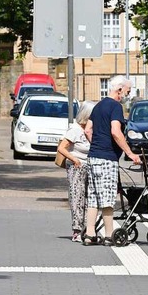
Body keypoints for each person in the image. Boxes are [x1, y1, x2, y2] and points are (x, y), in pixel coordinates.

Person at [83, 75, 141, 246]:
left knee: (93, 197)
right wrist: (130, 153)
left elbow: (88, 130)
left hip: (93, 157)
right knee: (108, 198)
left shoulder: (98, 106)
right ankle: (109, 235)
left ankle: (90, 234)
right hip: (107, 158)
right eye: (127, 92)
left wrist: (97, 144)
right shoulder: (116, 107)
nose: (127, 96)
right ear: (120, 89)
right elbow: (116, 132)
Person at [57, 101, 95, 243]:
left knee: (88, 198)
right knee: (77, 198)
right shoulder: (75, 129)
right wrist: (74, 160)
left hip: (89, 166)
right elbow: (62, 148)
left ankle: (88, 228)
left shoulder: (90, 129)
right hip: (76, 167)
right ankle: (77, 230)